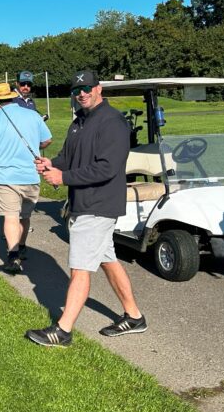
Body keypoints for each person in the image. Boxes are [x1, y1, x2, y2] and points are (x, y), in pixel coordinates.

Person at [25, 68, 147, 346]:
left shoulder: (113, 122)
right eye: (76, 91)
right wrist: (53, 164)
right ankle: (134, 316)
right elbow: (70, 157)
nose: (82, 94)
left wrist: (63, 177)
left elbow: (108, 167)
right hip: (84, 202)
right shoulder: (79, 121)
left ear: (98, 89)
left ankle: (63, 330)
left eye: (87, 89)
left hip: (99, 203)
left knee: (80, 268)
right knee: (107, 260)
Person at [0, 82, 52, 274]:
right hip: (29, 175)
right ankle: (22, 245)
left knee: (11, 217)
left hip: (4, 177)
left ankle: (13, 254)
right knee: (24, 216)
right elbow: (47, 139)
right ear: (13, 97)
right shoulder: (33, 115)